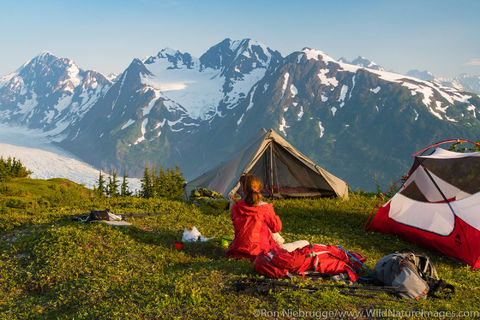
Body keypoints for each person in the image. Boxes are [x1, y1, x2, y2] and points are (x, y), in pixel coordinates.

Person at [225, 173, 309, 261]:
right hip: (262, 252)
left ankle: (279, 240)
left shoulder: (236, 207)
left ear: (243, 189)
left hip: (239, 252)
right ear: (259, 188)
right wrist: (273, 215)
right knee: (305, 243)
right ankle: (280, 241)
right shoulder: (265, 208)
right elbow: (277, 228)